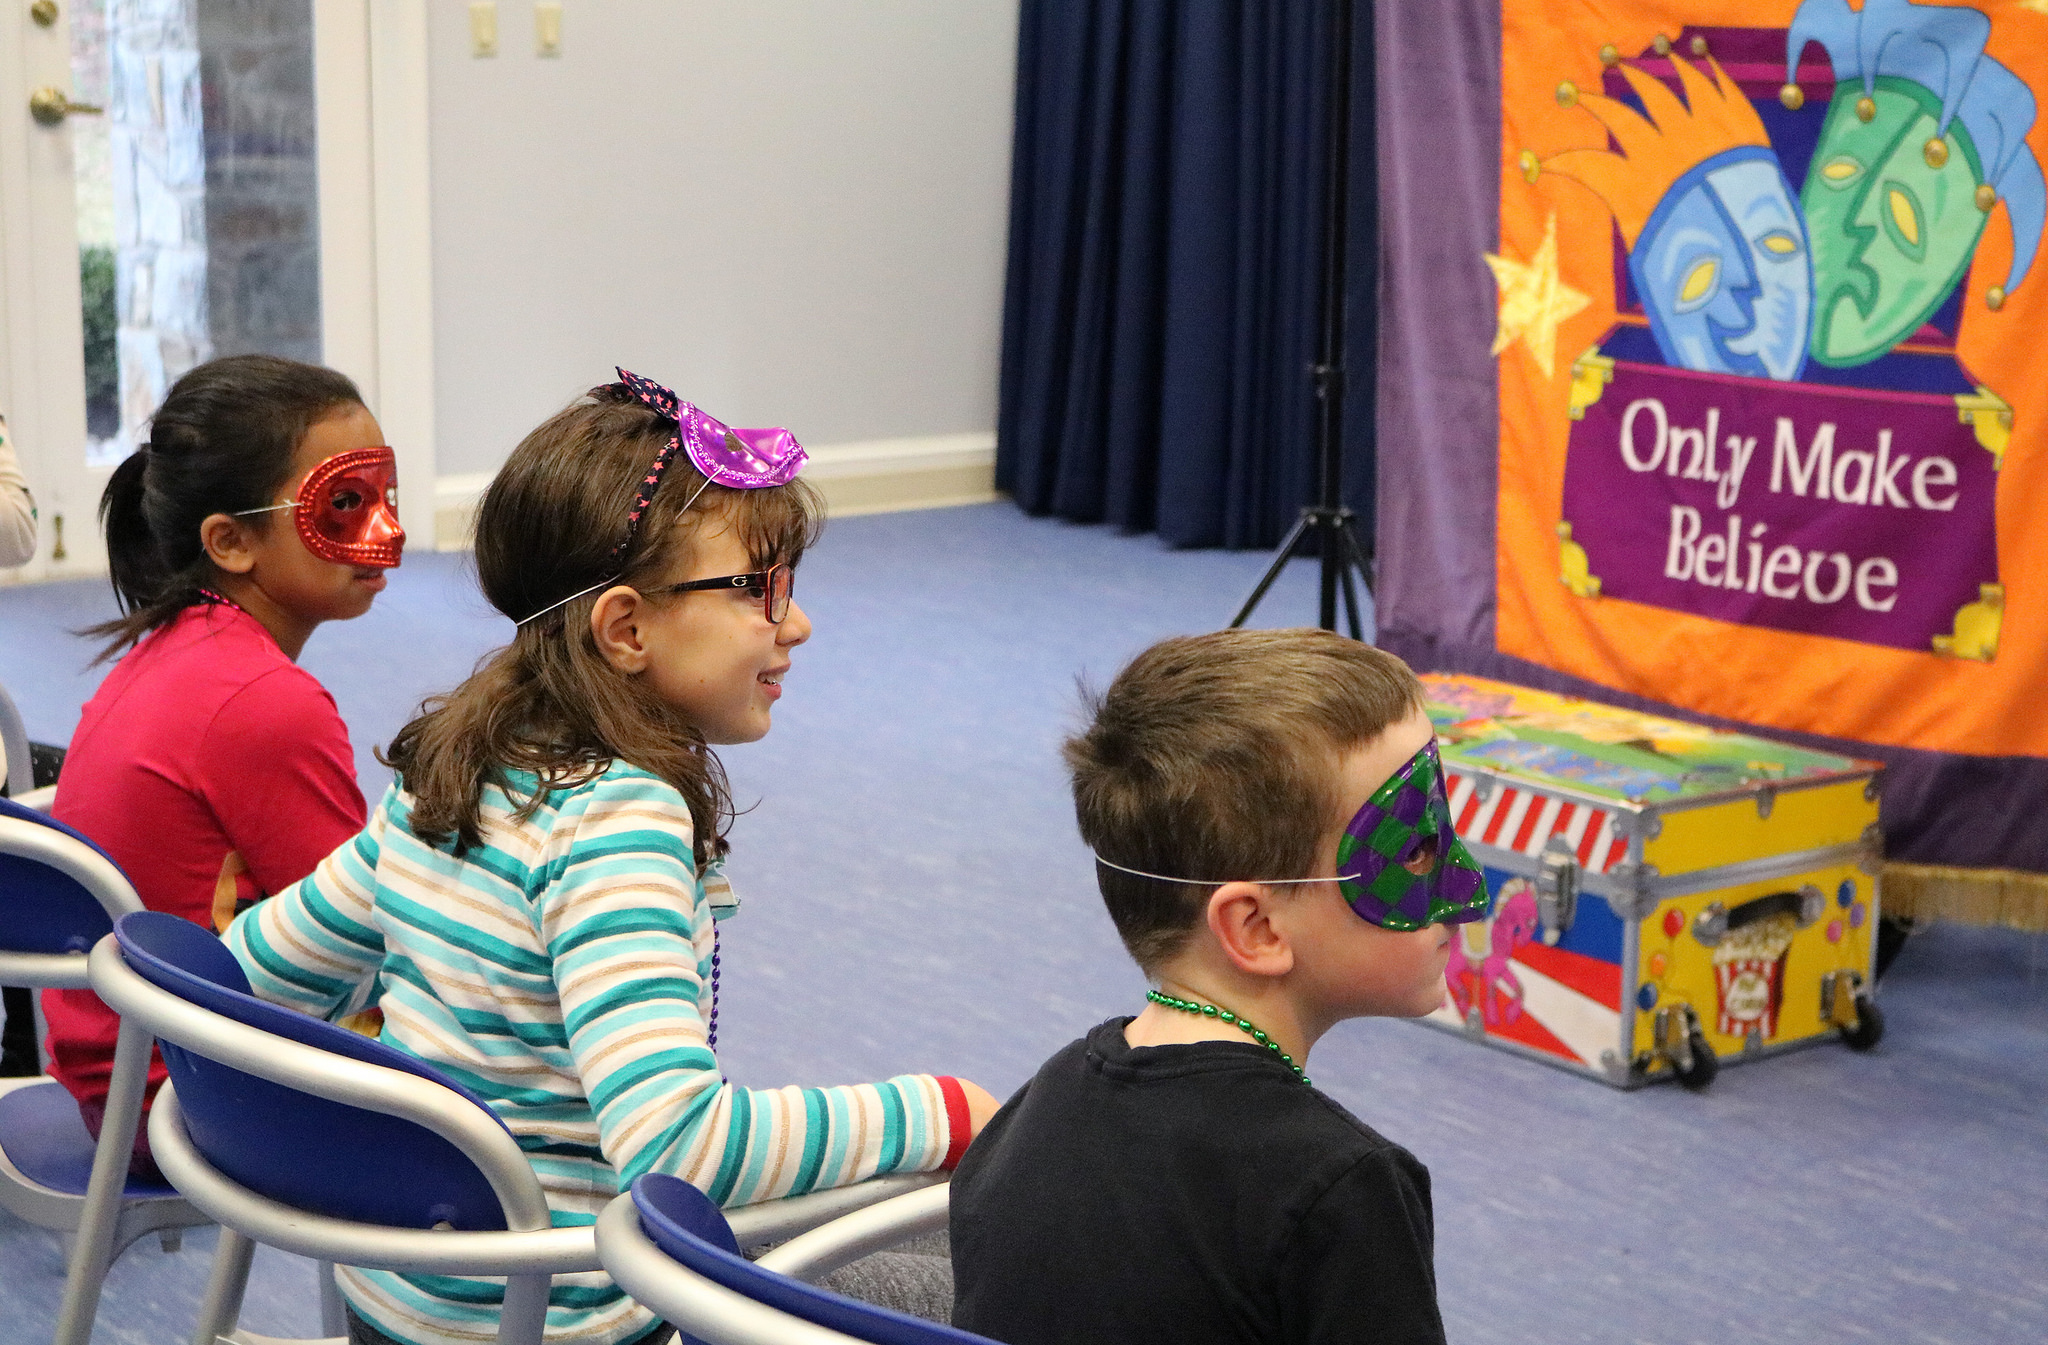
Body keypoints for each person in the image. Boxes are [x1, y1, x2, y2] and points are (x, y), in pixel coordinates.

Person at [225, 370, 1001, 1345]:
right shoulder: (615, 822)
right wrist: (940, 1111)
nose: (794, 624)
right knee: (979, 1262)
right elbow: (679, 1148)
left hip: (403, 1298)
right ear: (625, 628)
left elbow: (253, 971)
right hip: (564, 1311)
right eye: (759, 590)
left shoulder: (450, 766)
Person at [950, 627, 1489, 1345]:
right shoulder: (1341, 1188)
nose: (1469, 885)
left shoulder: (1037, 1103)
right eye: (1417, 850)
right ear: (1257, 927)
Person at [44, 354, 403, 1173]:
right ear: (230, 541)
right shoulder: (260, 701)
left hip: (126, 1071)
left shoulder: (176, 645)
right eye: (344, 503)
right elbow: (372, 932)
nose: (387, 530)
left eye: (385, 494)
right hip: (190, 1092)